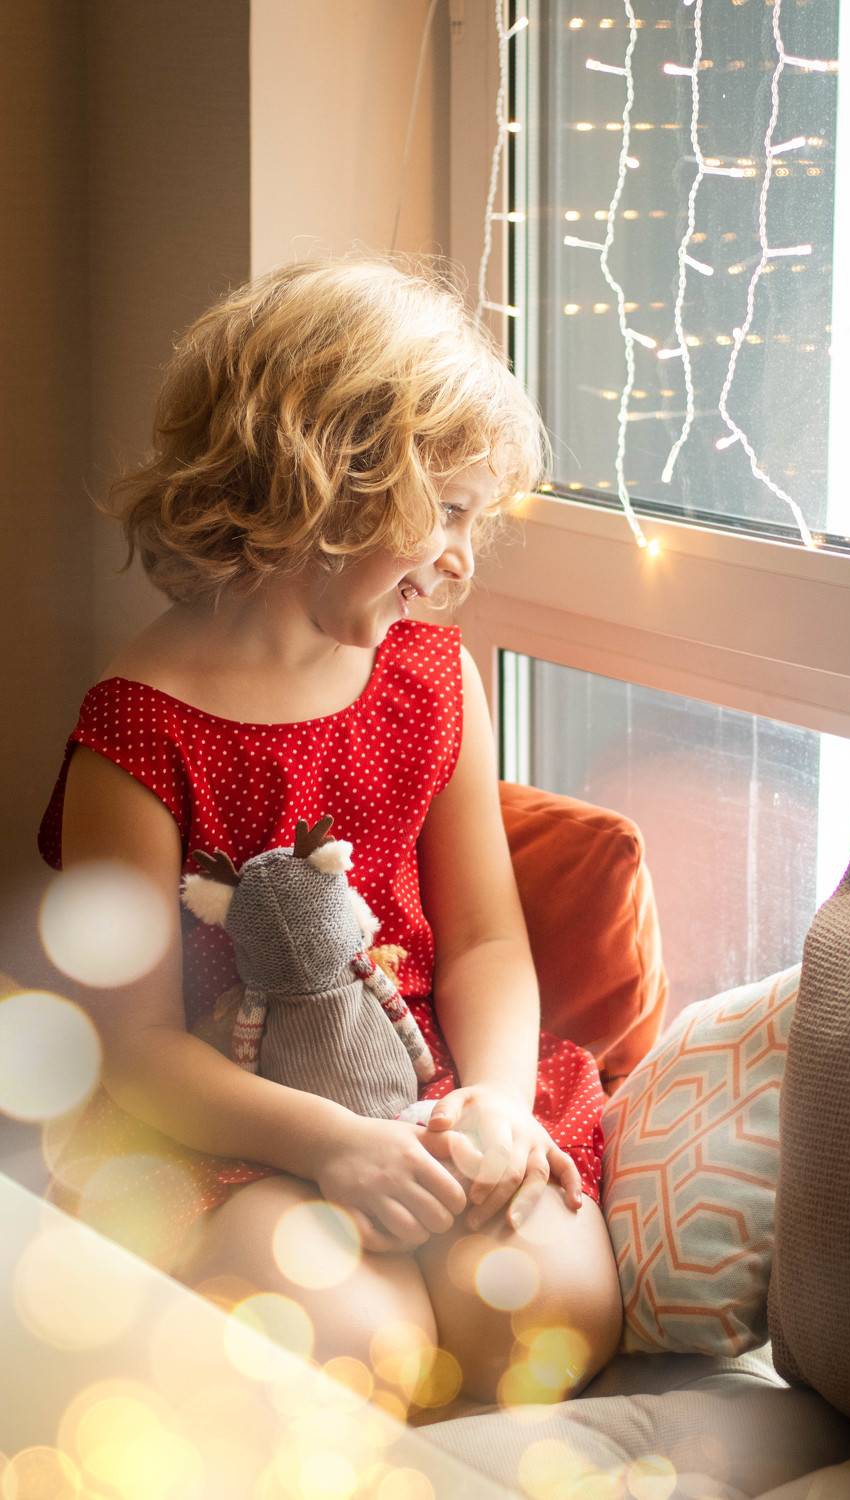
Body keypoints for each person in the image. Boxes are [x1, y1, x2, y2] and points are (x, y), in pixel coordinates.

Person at [38, 256, 623, 1413]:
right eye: (444, 511)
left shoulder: (433, 678)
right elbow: (135, 1047)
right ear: (327, 484)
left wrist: (496, 1102)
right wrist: (328, 1146)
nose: (461, 557)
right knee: (360, 1350)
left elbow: (486, 941)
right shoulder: (136, 733)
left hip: (428, 1076)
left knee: (545, 1316)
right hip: (233, 1121)